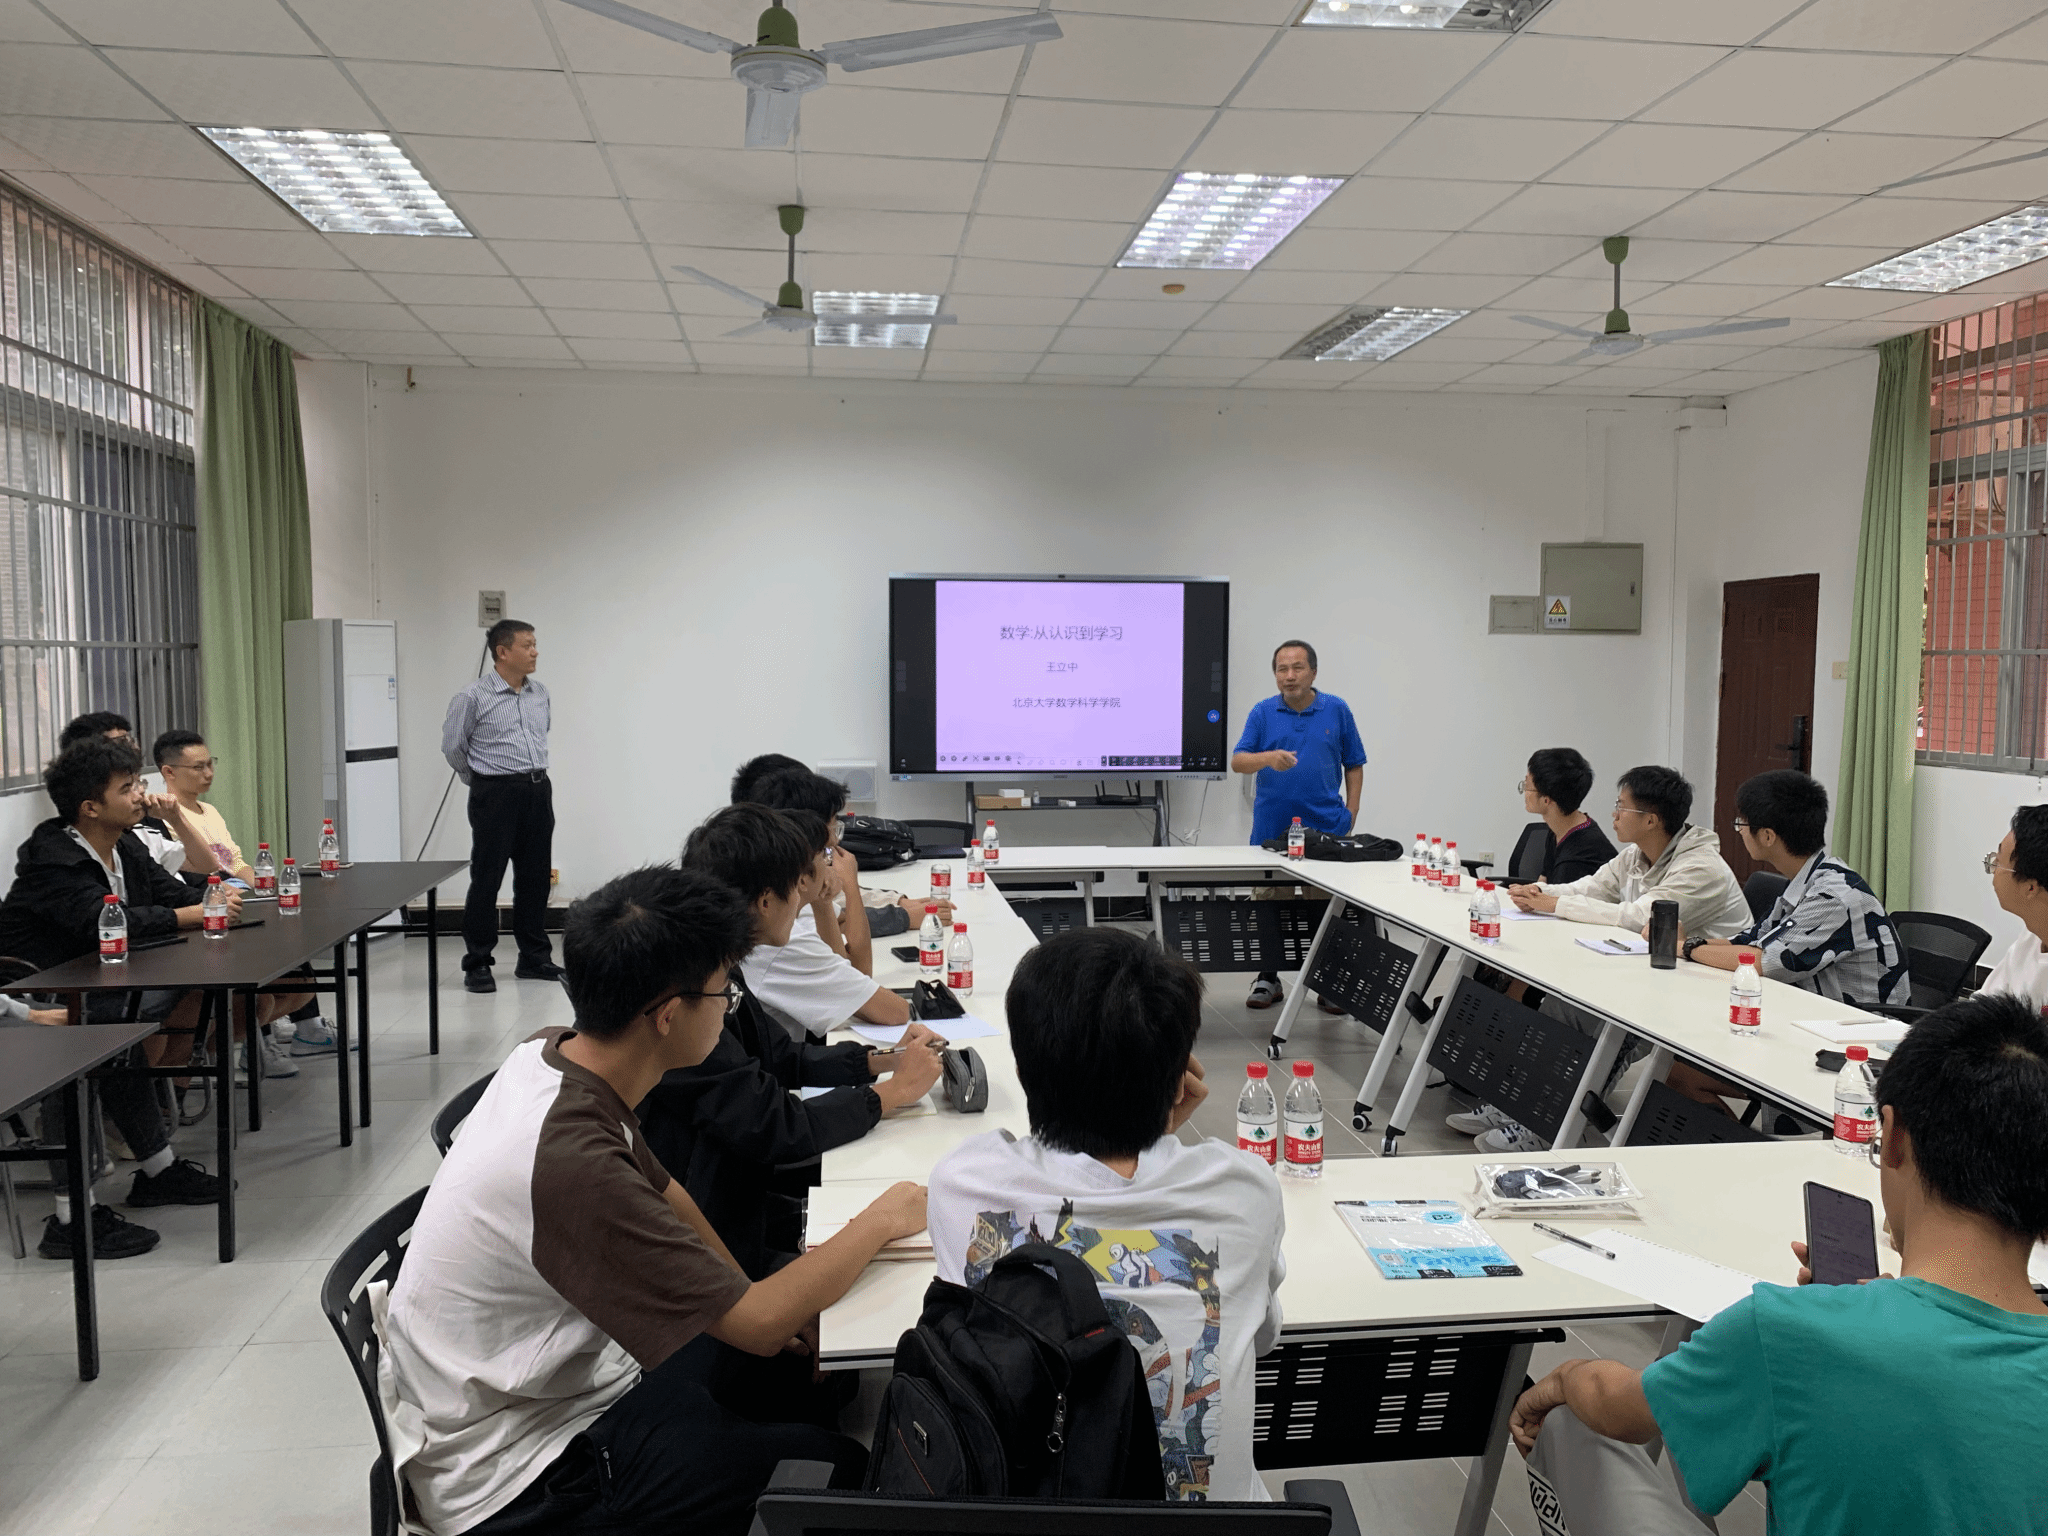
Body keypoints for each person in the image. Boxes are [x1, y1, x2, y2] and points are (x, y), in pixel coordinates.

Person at [380, 865, 927, 1536]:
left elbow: (668, 1192)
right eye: (724, 993)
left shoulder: (554, 1053)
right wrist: (883, 1218)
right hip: (521, 1470)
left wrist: (760, 1293)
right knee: (838, 1469)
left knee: (813, 1377)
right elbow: (757, 1323)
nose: (729, 1007)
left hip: (548, 1384)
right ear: (669, 1015)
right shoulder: (573, 1164)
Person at [1508, 991, 2048, 1536]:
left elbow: (1619, 1407)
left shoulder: (1788, 1333)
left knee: (1572, 1419)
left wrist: (1566, 1377)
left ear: (1893, 1137)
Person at [925, 926, 1285, 1503]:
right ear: (1179, 1078)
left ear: (1023, 1071)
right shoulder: (1246, 1188)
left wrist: (1147, 1123)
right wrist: (1154, 1128)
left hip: (1029, 1507)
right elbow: (1262, 1337)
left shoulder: (962, 1183)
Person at [640, 802, 944, 1281]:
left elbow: (781, 1057)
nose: (804, 895)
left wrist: (882, 1060)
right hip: (717, 1229)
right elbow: (775, 1124)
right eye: (796, 886)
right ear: (766, 901)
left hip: (742, 1192)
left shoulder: (723, 963)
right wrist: (891, 1094)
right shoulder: (691, 998)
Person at [0, 736, 228, 1259]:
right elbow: (99, 924)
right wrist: (185, 916)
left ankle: (158, 1171)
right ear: (90, 807)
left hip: (96, 988)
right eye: (127, 789)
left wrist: (214, 898)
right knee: (89, 1046)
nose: (140, 796)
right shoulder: (53, 859)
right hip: (36, 992)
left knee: (118, 1037)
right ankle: (70, 1218)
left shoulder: (125, 845)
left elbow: (171, 894)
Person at [152, 728, 327, 1070]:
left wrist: (264, 887)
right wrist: (238, 891)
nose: (208, 773)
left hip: (237, 893)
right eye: (198, 767)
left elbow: (235, 861)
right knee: (263, 956)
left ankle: (299, 1029)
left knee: (293, 941)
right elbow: (195, 872)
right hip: (210, 900)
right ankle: (261, 1041)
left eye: (210, 764)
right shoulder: (163, 820)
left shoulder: (208, 810)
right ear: (168, 772)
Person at [1230, 640, 1366, 1010]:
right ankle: (1268, 977)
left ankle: (1328, 981)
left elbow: (1354, 763)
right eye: (1282, 669)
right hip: (1272, 832)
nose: (1289, 676)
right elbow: (1238, 761)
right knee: (1268, 907)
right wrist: (1268, 758)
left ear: (1313, 672)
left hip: (1326, 829)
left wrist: (1352, 812)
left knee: (1324, 909)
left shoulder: (1336, 709)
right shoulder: (1263, 712)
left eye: (1297, 668)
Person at [737, 770, 911, 1040]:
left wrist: (821, 898)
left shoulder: (775, 903)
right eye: (825, 851)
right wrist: (849, 886)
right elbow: (886, 1003)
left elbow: (844, 971)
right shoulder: (782, 940)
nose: (835, 850)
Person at [441, 618, 559, 995]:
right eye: (527, 645)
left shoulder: (540, 693)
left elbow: (541, 735)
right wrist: (481, 782)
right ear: (503, 652)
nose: (535, 651)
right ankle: (478, 962)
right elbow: (453, 747)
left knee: (535, 878)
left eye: (535, 644)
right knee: (487, 879)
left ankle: (534, 957)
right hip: (495, 794)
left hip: (537, 789)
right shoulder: (472, 697)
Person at [1507, 764, 1749, 939]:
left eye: (1621, 807)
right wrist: (1539, 892)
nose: (1615, 814)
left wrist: (1555, 904)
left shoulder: (1702, 867)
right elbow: (1592, 887)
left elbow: (1642, 917)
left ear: (1651, 821)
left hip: (1719, 979)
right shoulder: (1634, 854)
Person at [729, 752, 945, 937]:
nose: (834, 839)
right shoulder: (775, 895)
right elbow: (837, 923)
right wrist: (903, 916)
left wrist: (897, 902)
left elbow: (835, 901)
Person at [58, 711, 214, 879]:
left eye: (138, 783)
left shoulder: (140, 834)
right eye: (127, 788)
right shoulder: (67, 853)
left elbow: (205, 866)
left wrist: (176, 819)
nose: (134, 747)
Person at [1981, 803, 2048, 1014]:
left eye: (1999, 861)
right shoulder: (2031, 937)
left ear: (2030, 887)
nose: (1993, 870)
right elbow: (1983, 1009)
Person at [1519, 747, 1617, 884]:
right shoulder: (1560, 828)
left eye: (1527, 786)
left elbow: (1556, 896)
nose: (1524, 791)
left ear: (1546, 800)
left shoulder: (1579, 858)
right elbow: (1544, 880)